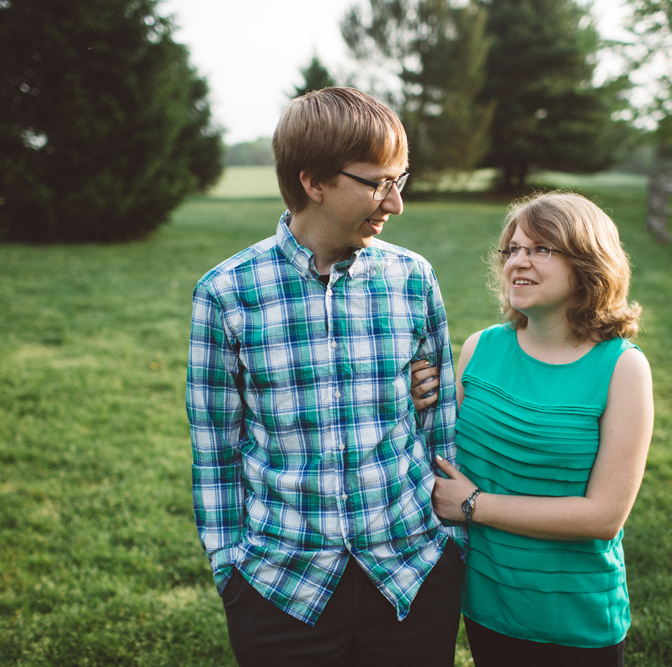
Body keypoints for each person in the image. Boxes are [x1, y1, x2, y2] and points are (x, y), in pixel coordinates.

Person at [186, 87, 465, 667]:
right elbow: (215, 447)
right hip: (281, 585)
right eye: (378, 183)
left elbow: (440, 423)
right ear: (314, 182)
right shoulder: (226, 292)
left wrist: (450, 546)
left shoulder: (413, 279)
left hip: (410, 574)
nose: (395, 204)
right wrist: (229, 567)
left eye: (401, 180)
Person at [412, 191, 654, 666]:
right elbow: (446, 454)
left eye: (541, 249)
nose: (518, 260)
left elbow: (604, 516)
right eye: (514, 249)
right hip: (486, 604)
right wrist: (420, 401)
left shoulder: (622, 367)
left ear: (588, 264)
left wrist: (474, 505)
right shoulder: (480, 349)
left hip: (573, 618)